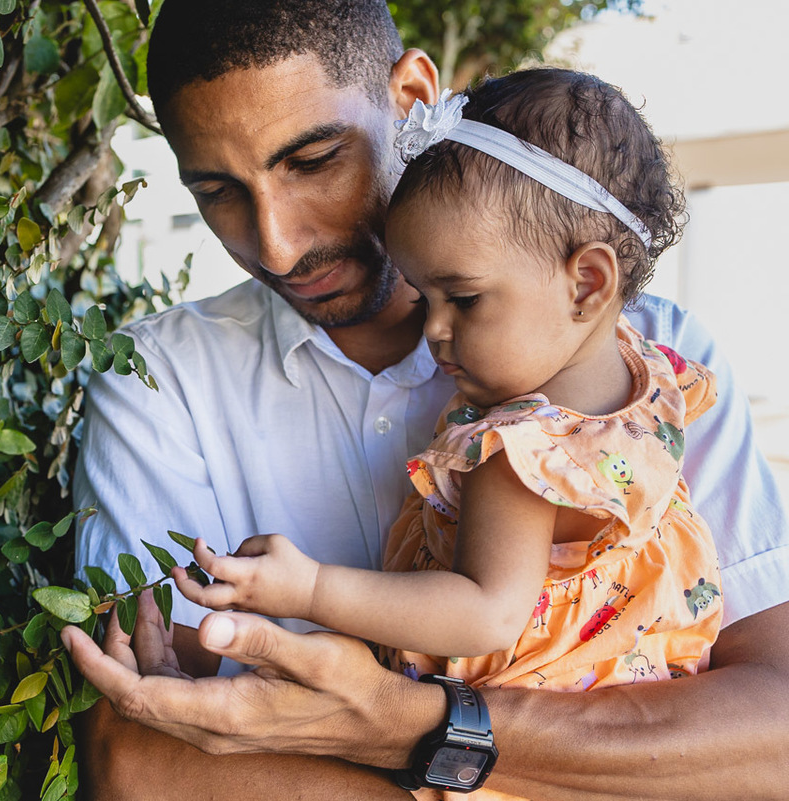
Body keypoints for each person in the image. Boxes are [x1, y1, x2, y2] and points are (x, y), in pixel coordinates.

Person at [65, 1, 789, 798]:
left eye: (313, 160)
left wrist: (394, 720)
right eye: (218, 192)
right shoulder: (157, 382)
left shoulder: (646, 359)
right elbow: (144, 759)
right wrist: (593, 760)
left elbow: (771, 737)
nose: (276, 243)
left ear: (411, 97)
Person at [171, 68, 724, 709]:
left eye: (462, 298)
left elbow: (485, 613)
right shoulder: (652, 377)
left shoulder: (521, 455)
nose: (433, 330)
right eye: (424, 294)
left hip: (515, 716)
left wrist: (310, 590)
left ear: (587, 284)